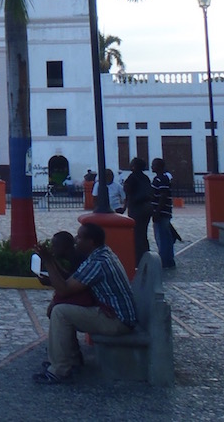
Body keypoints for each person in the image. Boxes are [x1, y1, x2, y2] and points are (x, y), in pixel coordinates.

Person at [34, 222, 137, 383]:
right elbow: (72, 280)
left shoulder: (97, 263)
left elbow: (64, 289)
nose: (76, 240)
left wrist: (48, 261)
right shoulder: (101, 254)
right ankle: (71, 359)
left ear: (91, 242)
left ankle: (59, 369)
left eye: (80, 237)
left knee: (60, 312)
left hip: (117, 320)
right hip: (116, 314)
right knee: (64, 310)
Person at [123, 156, 153, 258]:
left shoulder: (132, 177)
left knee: (136, 233)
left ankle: (139, 256)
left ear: (134, 166)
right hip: (147, 206)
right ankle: (145, 253)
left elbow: (128, 191)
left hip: (136, 207)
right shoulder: (145, 178)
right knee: (143, 232)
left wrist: (125, 205)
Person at [150, 158, 176, 269]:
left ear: (159, 166)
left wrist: (157, 211)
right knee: (164, 236)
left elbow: (163, 195)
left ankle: (165, 260)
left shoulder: (161, 179)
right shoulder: (160, 179)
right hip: (162, 212)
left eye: (154, 165)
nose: (152, 167)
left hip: (161, 212)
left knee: (162, 237)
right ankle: (168, 259)